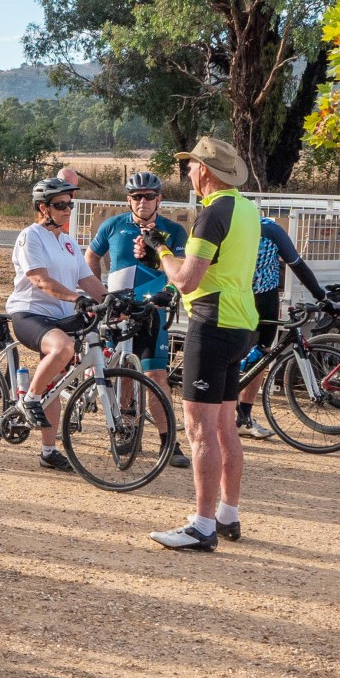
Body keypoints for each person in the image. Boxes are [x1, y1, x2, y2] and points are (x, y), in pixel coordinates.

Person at [148, 136, 261, 551]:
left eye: (191, 166)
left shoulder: (213, 214)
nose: (188, 172)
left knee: (199, 430)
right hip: (240, 322)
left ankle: (202, 526)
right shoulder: (246, 208)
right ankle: (227, 515)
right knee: (224, 424)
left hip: (211, 324)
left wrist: (160, 250)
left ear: (206, 172)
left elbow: (185, 280)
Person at [85, 170, 189, 464]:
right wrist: (100, 292)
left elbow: (179, 267)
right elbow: (91, 256)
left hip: (151, 311)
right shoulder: (114, 225)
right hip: (118, 310)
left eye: (149, 196)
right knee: (122, 373)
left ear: (159, 199)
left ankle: (169, 442)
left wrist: (168, 291)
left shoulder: (173, 230)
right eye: (136, 197)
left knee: (155, 375)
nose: (142, 201)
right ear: (128, 200)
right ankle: (127, 432)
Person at [9, 176, 106, 471]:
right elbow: (39, 279)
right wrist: (75, 297)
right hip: (30, 314)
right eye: (61, 205)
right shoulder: (31, 236)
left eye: (70, 204)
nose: (68, 210)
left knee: (57, 383)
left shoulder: (67, 242)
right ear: (43, 207)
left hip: (59, 318)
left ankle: (48, 451)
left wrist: (114, 301)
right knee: (63, 348)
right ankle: (30, 399)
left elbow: (88, 279)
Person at [234, 212, 330, 440]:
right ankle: (227, 407)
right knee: (233, 354)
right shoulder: (228, 226)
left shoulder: (270, 229)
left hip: (265, 300)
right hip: (236, 299)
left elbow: (296, 264)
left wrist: (320, 295)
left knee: (264, 356)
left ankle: (243, 418)